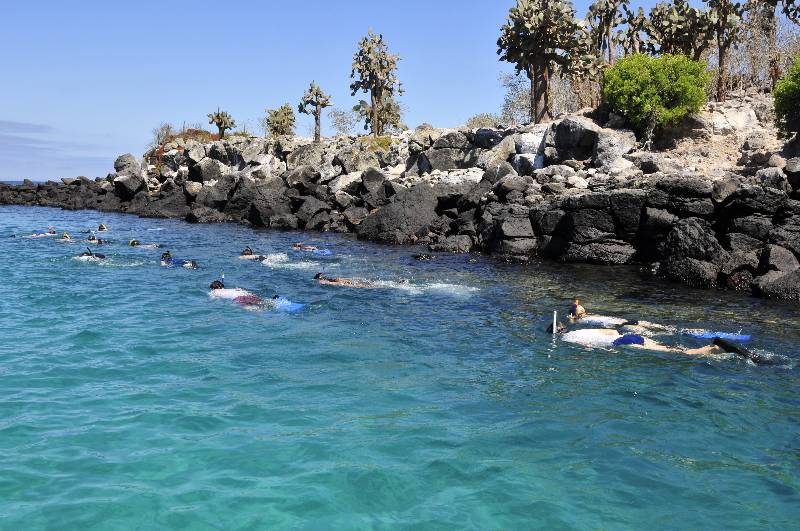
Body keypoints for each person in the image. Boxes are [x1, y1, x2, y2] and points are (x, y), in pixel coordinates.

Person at [314, 272, 378, 289]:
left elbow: (339, 284)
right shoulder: (338, 279)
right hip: (350, 282)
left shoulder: (338, 280)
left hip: (347, 283)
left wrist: (327, 282)